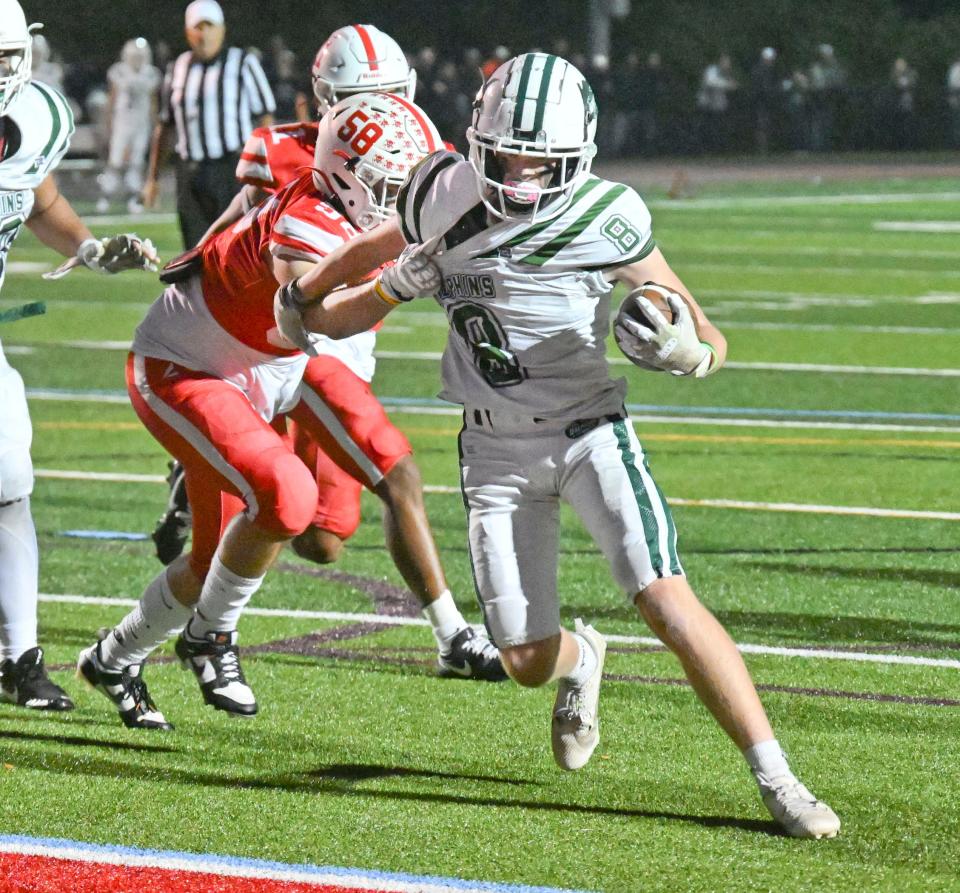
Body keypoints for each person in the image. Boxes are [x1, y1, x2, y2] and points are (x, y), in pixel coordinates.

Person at [276, 52, 842, 840]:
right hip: (495, 453)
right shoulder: (439, 194)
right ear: (478, 143)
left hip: (590, 434)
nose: (522, 177)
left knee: (664, 596)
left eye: (542, 163)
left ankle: (779, 778)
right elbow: (355, 281)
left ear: (577, 158)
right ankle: (583, 659)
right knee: (525, 659)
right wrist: (328, 296)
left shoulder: (608, 216)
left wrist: (688, 351)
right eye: (507, 157)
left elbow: (705, 330)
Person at [78, 92, 495, 733]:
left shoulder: (345, 199)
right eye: (388, 182)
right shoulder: (307, 227)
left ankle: (112, 659)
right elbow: (323, 316)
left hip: (268, 367)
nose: (399, 194)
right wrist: (399, 282)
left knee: (211, 560)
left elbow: (399, 234)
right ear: (348, 175)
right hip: (190, 367)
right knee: (288, 497)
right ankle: (211, 637)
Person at [150, 24, 503, 683]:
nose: (379, 119)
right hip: (303, 349)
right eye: (360, 103)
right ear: (324, 105)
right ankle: (454, 635)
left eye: (390, 99)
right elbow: (238, 228)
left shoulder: (422, 153)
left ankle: (209, 472)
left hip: (344, 346)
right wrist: (189, 268)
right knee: (395, 475)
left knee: (322, 538)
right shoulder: (284, 154)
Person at [0, 0, 158, 712]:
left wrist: (91, 249)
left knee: (9, 483)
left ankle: (19, 656)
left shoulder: (33, 116)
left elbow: (37, 198)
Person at [142, 0, 275, 249]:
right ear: (187, 32)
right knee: (195, 251)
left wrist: (268, 170)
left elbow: (265, 120)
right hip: (189, 174)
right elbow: (165, 126)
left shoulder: (242, 63)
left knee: (237, 247)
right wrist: (153, 178)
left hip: (233, 171)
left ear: (222, 30)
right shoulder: (177, 67)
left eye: (209, 27)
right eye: (198, 28)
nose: (204, 34)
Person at [96, 38, 161, 214]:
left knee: (136, 162)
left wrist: (155, 124)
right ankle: (106, 196)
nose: (137, 60)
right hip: (122, 122)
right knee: (115, 160)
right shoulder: (119, 71)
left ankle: (134, 197)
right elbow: (112, 98)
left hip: (142, 123)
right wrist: (108, 123)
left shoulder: (151, 74)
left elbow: (153, 102)